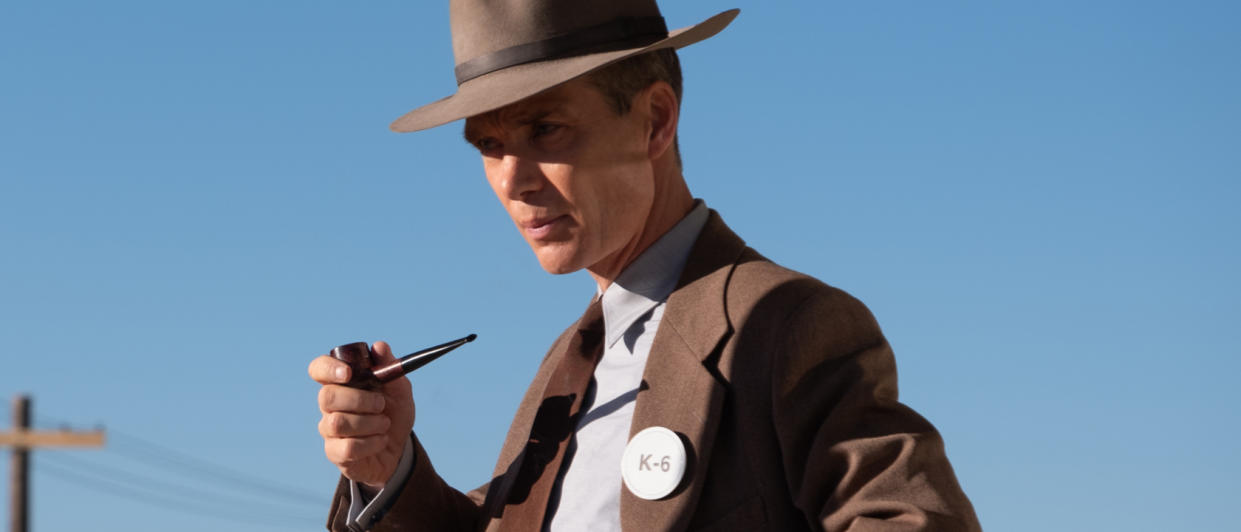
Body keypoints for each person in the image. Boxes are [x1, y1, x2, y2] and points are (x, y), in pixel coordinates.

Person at [308, 1, 981, 530]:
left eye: (545, 129)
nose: (512, 179)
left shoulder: (781, 322)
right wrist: (389, 469)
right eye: (488, 144)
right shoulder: (567, 369)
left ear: (655, 120)